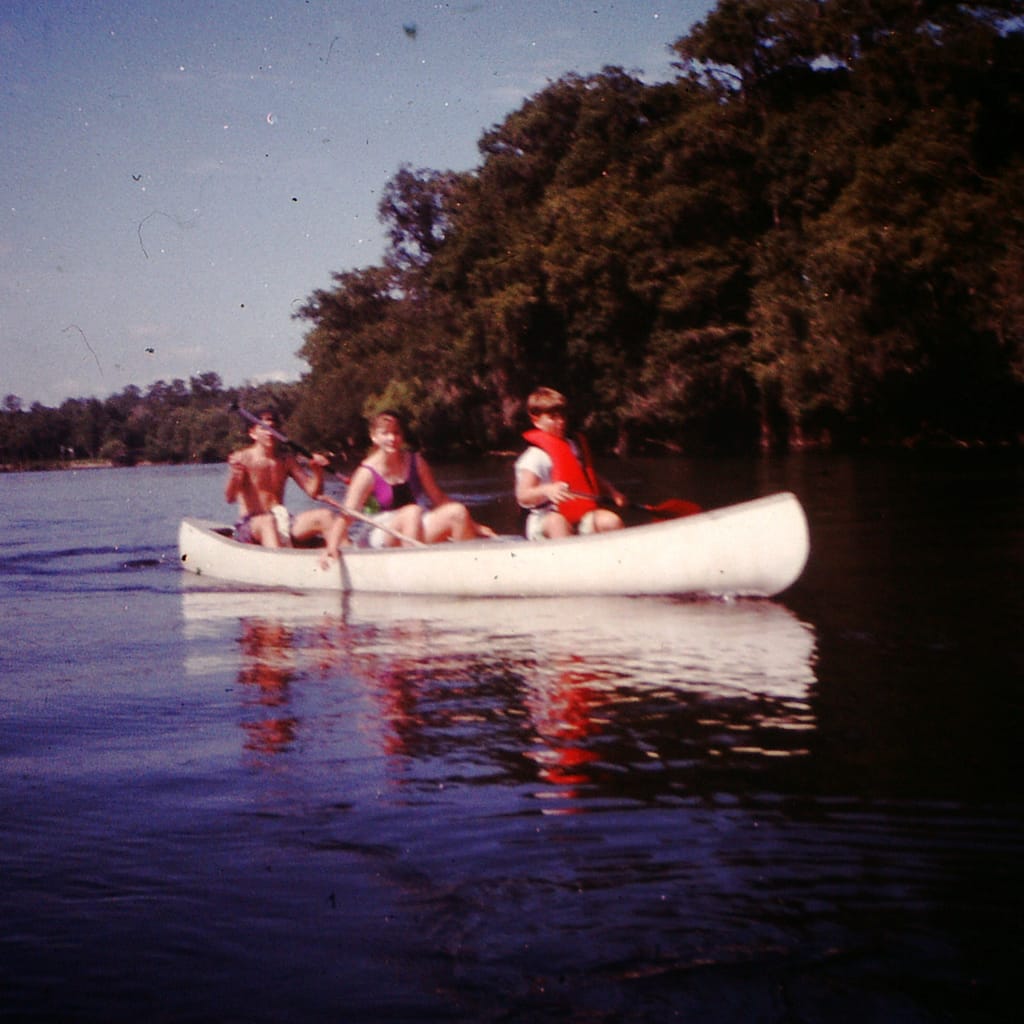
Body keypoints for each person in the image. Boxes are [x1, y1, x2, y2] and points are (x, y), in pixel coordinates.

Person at [330, 409, 495, 550]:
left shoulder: (417, 462)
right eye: (385, 433)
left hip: (416, 523)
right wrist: (332, 546)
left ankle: (464, 566)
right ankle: (414, 568)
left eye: (396, 433)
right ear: (374, 437)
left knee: (458, 512)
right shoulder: (366, 473)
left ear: (402, 436)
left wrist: (475, 526)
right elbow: (348, 514)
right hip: (381, 532)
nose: (392, 438)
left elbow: (439, 498)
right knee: (411, 512)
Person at [514, 387, 626, 540]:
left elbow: (590, 476)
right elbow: (523, 495)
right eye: (553, 417)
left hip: (578, 518)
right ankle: (565, 554)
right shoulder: (533, 457)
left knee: (610, 521)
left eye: (562, 416)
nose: (561, 422)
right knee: (557, 522)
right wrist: (547, 490)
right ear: (536, 421)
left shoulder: (573, 446)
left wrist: (613, 492)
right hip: (545, 520)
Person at [224, 407, 339, 548]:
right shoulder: (242, 459)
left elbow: (313, 492)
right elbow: (229, 498)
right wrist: (235, 476)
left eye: (273, 428)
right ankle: (278, 560)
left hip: (282, 520)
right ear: (252, 433)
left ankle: (349, 556)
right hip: (252, 523)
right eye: (264, 428)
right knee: (268, 521)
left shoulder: (286, 460)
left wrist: (318, 472)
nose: (269, 433)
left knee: (325, 516)